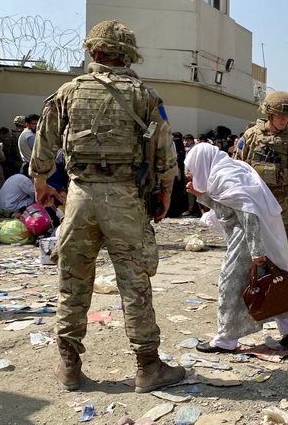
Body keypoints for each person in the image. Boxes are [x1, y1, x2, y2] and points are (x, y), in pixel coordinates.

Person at [29, 20, 184, 393]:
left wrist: (41, 183)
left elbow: (44, 144)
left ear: (94, 52)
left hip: (80, 196)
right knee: (134, 282)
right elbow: (164, 149)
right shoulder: (145, 96)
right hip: (124, 199)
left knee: (73, 280)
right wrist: (165, 191)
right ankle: (148, 366)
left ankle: (69, 365)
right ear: (127, 55)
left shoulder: (67, 91)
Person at [185, 143, 288, 351]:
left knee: (231, 285)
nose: (192, 174)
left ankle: (226, 340)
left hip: (247, 237)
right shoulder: (231, 169)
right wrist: (200, 195)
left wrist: (256, 251)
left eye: (193, 169)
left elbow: (248, 211)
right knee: (271, 279)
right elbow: (230, 207)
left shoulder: (224, 175)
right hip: (264, 233)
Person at [235, 91, 288, 251]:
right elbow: (238, 165)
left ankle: (281, 274)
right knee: (251, 240)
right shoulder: (252, 135)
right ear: (269, 114)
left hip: (282, 196)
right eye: (279, 115)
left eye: (286, 116)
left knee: (287, 237)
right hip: (256, 195)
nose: (283, 119)